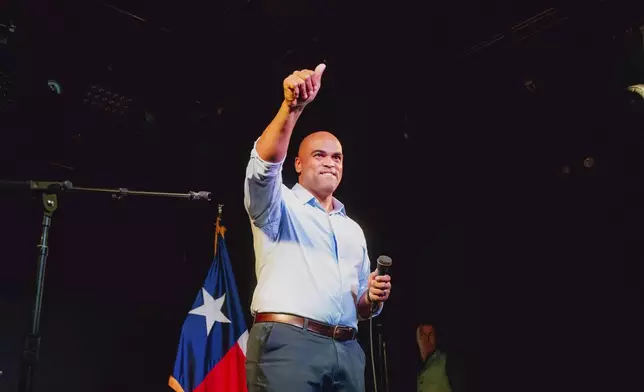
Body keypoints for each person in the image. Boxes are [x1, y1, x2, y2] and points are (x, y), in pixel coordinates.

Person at [243, 63, 392, 392]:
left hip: (348, 351)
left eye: (337, 157)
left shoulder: (353, 230)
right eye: (319, 155)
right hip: (289, 347)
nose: (330, 162)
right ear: (298, 164)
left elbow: (361, 308)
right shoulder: (278, 204)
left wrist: (373, 298)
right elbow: (264, 165)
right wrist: (291, 108)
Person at [416, 324, 465, 392]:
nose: (427, 339)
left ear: (435, 337)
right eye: (423, 335)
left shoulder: (447, 361)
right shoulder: (418, 365)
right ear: (418, 338)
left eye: (430, 334)